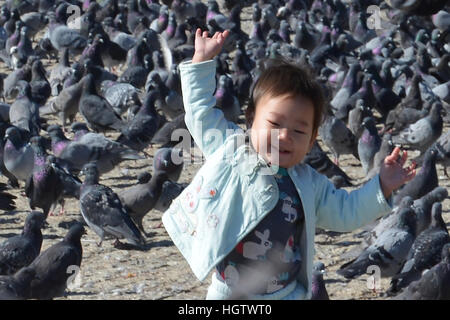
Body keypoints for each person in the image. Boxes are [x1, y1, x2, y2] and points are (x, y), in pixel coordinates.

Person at [162, 29, 417, 300]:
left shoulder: (309, 183)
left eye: (299, 131)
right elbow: (200, 114)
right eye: (274, 124)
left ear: (312, 142)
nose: (284, 136)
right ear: (251, 121)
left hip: (287, 292)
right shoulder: (233, 151)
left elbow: (347, 210)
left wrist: (382, 185)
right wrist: (201, 62)